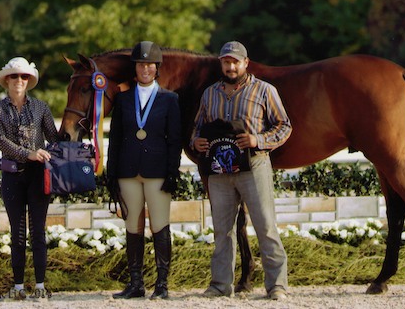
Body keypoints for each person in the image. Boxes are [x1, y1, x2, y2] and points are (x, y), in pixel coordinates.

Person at [191, 41, 292, 300]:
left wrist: (259, 140)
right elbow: (198, 128)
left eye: (236, 61)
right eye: (227, 61)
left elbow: (284, 126)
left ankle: (277, 285)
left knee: (265, 226)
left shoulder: (265, 91)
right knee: (222, 230)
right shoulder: (209, 94)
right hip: (219, 170)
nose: (231, 66)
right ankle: (220, 285)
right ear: (221, 64)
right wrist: (197, 142)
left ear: (246, 63)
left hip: (254, 166)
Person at [107, 41, 182, 300]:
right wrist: (111, 172)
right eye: (141, 64)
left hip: (158, 171)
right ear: (135, 68)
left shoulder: (170, 100)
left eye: (150, 64)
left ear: (157, 67)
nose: (145, 69)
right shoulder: (123, 99)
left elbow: (174, 140)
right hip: (128, 170)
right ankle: (136, 284)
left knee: (160, 225)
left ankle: (162, 285)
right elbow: (115, 138)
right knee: (132, 226)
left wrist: (173, 172)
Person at [0, 57, 59, 300]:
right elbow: (1, 142)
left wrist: (77, 130)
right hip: (12, 176)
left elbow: (54, 137)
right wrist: (28, 153)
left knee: (38, 232)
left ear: (29, 81)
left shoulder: (41, 107)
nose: (19, 80)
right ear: (7, 80)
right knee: (17, 234)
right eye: (15, 76)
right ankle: (18, 286)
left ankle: (40, 285)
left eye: (24, 76)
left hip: (38, 176)